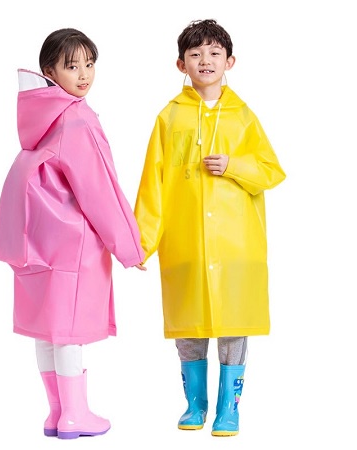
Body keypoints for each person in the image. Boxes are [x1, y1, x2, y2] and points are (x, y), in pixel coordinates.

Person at [0, 28, 146, 440]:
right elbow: (100, 190)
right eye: (72, 66)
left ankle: (57, 413)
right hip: (70, 244)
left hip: (35, 243)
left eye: (89, 64)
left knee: (48, 329)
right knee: (69, 331)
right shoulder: (77, 118)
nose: (84, 74)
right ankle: (75, 414)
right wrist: (130, 248)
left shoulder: (38, 118)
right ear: (50, 71)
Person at [134, 19, 286, 437]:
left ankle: (228, 410)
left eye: (215, 53)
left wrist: (234, 165)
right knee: (189, 325)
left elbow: (271, 170)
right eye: (196, 53)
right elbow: (153, 184)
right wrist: (141, 242)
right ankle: (194, 405)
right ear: (180, 64)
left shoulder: (243, 117)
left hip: (237, 242)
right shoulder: (169, 118)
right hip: (185, 241)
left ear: (229, 61)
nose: (206, 60)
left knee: (233, 325)